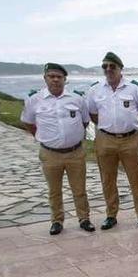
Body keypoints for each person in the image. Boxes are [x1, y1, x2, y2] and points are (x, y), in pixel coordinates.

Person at [21, 63, 94, 235]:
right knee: (54, 190)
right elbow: (29, 123)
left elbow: (85, 121)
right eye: (51, 76)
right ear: (45, 78)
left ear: (65, 79)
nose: (55, 79)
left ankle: (84, 219)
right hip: (50, 153)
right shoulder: (34, 100)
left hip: (75, 152)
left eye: (59, 77)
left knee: (80, 189)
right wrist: (45, 137)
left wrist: (72, 136)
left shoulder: (77, 98)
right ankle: (57, 221)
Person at [86, 52, 138, 230]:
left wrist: (131, 125)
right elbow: (92, 114)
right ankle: (111, 215)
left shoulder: (134, 89)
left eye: (112, 66)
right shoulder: (95, 90)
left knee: (136, 178)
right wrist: (107, 127)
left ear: (120, 68)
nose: (108, 69)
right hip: (105, 139)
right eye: (105, 66)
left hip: (129, 139)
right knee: (107, 179)